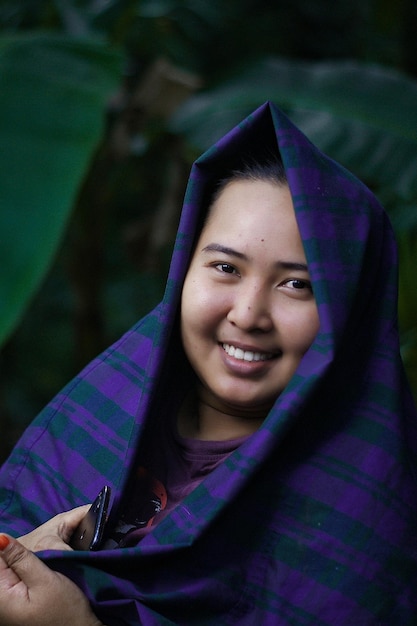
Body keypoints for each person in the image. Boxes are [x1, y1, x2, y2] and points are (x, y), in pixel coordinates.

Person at [0, 101, 416, 625]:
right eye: (225, 267)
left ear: (349, 312)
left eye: (297, 284)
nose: (248, 314)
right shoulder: (99, 416)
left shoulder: (361, 530)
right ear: (183, 273)